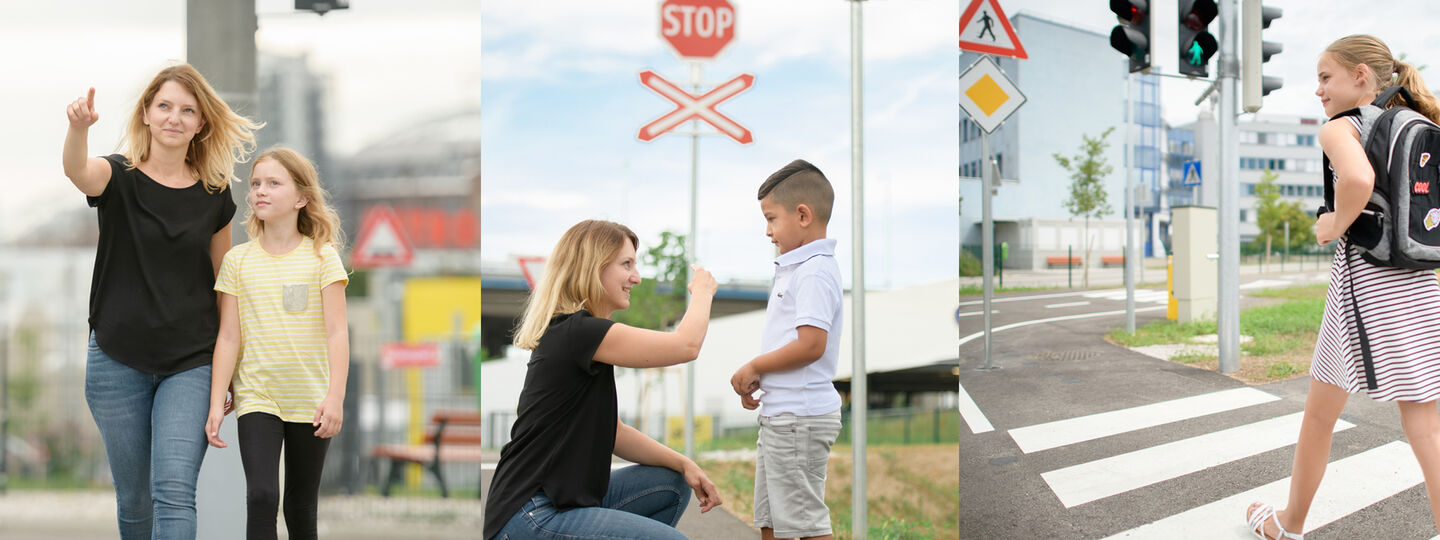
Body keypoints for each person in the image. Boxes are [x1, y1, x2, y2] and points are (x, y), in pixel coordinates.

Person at [1246, 34, 1440, 540]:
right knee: (1426, 426)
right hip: (1418, 280)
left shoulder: (1341, 128)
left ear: (1360, 76)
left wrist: (1333, 223)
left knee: (1318, 416)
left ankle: (1288, 525)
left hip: (1364, 285)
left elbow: (1354, 182)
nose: (1318, 90)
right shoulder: (1419, 123)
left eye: (1325, 77)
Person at [63, 64, 261, 540]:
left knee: (173, 492)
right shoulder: (117, 176)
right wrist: (77, 129)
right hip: (116, 360)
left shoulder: (215, 196)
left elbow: (224, 285)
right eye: (165, 107)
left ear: (200, 124)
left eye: (187, 110)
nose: (175, 117)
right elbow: (77, 171)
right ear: (148, 114)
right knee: (134, 501)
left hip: (189, 363)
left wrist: (227, 370)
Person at [484, 219, 724, 540]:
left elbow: (614, 433)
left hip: (560, 503)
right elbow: (686, 346)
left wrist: (685, 464)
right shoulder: (578, 333)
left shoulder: (583, 337)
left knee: (672, 483)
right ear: (593, 267)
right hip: (531, 514)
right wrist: (704, 292)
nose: (636, 278)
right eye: (627, 264)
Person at [203, 147, 349, 540]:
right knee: (262, 496)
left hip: (311, 398)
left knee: (301, 507)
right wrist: (217, 402)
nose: (260, 192)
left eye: (273, 183)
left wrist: (335, 397)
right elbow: (228, 337)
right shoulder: (237, 261)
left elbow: (338, 331)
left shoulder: (323, 257)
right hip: (258, 396)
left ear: (301, 198)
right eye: (255, 184)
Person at [730, 159, 844, 540]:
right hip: (784, 415)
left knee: (807, 525)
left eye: (771, 218)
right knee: (772, 522)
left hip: (800, 418)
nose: (767, 231)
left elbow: (811, 345)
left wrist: (754, 365)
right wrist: (764, 375)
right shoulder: (797, 269)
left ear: (803, 215)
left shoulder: (814, 270)